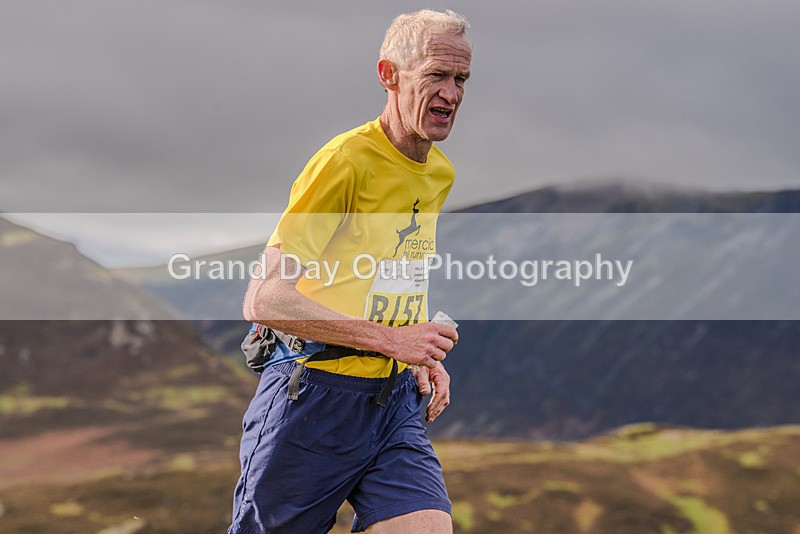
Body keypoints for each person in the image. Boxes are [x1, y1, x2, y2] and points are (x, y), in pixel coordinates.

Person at [229, 9, 471, 534]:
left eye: (461, 79)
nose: (451, 94)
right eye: (435, 75)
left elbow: (396, 268)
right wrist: (391, 341)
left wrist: (417, 351)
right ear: (389, 75)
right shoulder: (345, 162)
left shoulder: (439, 171)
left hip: (393, 404)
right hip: (312, 397)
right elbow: (264, 300)